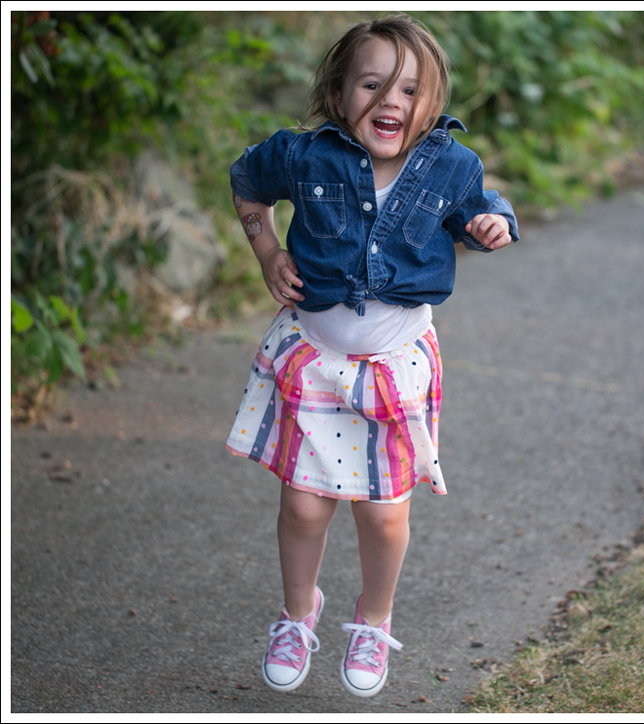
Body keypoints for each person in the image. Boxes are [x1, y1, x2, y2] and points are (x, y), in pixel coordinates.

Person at [226, 14, 518, 698]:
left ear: (432, 104)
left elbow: (483, 206)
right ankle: (299, 614)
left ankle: (372, 619)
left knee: (384, 513)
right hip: (314, 359)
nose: (391, 100)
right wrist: (267, 249)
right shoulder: (303, 157)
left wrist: (492, 223)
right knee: (304, 507)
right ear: (338, 93)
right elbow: (246, 179)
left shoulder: (449, 165)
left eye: (409, 89)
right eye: (372, 83)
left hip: (395, 368)